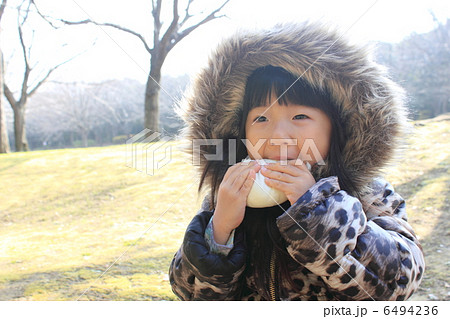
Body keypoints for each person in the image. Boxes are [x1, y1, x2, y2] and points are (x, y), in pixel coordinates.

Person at [169, 22, 425, 301]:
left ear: (339, 128)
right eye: (261, 119)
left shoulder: (370, 194)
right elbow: (188, 294)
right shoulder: (227, 197)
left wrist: (319, 212)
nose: (279, 136)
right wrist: (219, 230)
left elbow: (398, 283)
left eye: (300, 117)